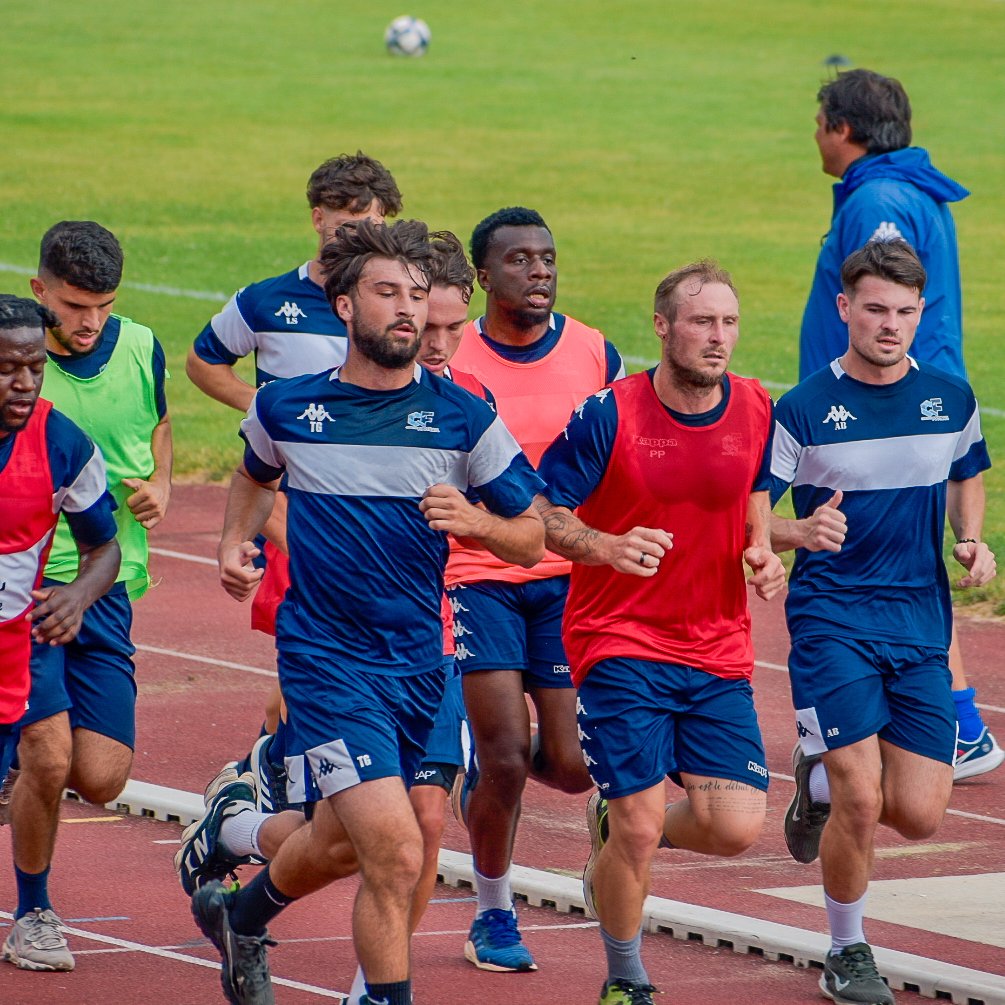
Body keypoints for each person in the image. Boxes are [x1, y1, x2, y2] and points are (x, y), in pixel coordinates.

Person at [189, 219, 546, 1005]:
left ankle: (239, 914)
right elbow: (254, 474)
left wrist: (476, 520)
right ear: (345, 305)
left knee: (342, 843)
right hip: (326, 664)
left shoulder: (464, 418)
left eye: (417, 294)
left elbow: (529, 536)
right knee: (395, 850)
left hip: (421, 664)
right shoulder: (287, 407)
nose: (408, 308)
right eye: (388, 292)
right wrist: (233, 542)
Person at [536, 261, 785, 1005]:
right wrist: (605, 546)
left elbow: (755, 496)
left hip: (716, 647)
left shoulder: (755, 405)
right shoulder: (609, 414)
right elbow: (544, 513)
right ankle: (625, 977)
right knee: (641, 829)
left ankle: (612, 827)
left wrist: (764, 551)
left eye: (729, 323)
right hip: (618, 640)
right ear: (662, 326)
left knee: (733, 827)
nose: (718, 337)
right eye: (702, 321)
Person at [772, 240, 995, 1005]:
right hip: (831, 617)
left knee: (919, 812)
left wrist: (970, 538)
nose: (889, 324)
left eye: (903, 311)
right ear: (844, 308)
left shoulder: (949, 398)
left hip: (919, 624)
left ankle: (815, 780)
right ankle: (846, 949)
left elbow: (967, 474)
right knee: (863, 797)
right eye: (874, 309)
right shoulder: (802, 408)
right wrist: (794, 533)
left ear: (919, 312)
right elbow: (745, 514)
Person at [188, 152, 403, 813]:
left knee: (324, 659)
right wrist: (261, 408)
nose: (358, 232)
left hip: (374, 504)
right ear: (317, 218)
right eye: (345, 219)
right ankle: (277, 792)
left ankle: (263, 778)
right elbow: (203, 361)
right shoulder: (265, 300)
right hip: (291, 501)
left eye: (371, 220)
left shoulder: (394, 303)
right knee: (312, 649)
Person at [800, 68, 999, 778]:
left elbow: (880, 302)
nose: (815, 135)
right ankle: (939, 724)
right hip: (898, 410)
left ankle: (955, 727)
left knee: (888, 567)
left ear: (844, 128)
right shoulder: (905, 188)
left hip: (889, 413)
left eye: (820, 122)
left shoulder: (878, 200)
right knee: (893, 566)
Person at [446, 206, 625, 972]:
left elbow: (618, 454)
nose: (539, 270)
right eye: (518, 259)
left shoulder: (593, 350)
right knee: (507, 757)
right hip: (474, 574)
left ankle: (485, 779)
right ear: (483, 276)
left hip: (564, 580)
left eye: (546, 257)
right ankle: (492, 911)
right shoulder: (452, 354)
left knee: (576, 764)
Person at [1, 223, 171, 973]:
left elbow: (158, 426)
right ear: (42, 294)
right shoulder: (23, 352)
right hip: (27, 608)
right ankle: (33, 910)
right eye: (74, 306)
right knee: (48, 751)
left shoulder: (80, 416)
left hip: (92, 593)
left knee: (98, 774)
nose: (90, 320)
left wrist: (163, 482)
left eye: (104, 305)